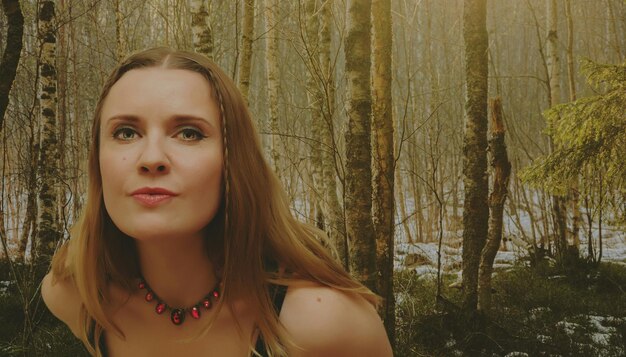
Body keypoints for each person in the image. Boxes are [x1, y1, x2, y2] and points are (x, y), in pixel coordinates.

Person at [41, 47, 393, 357]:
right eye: (126, 132)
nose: (151, 158)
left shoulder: (324, 324)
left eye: (189, 133)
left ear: (233, 161)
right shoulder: (76, 295)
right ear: (97, 160)